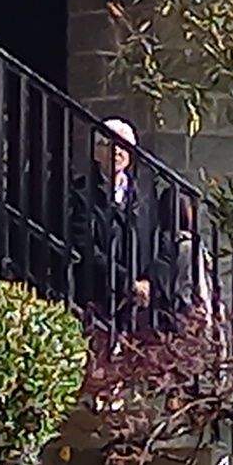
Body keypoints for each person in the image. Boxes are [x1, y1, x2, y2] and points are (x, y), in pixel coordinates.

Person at [68, 116, 164, 328]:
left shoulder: (144, 196)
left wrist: (147, 280)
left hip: (140, 299)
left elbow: (156, 239)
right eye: (108, 144)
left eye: (123, 146)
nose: (117, 151)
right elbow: (85, 244)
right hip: (100, 292)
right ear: (96, 153)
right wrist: (126, 281)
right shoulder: (82, 193)